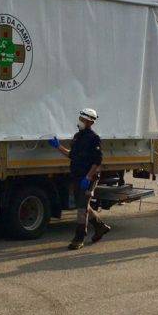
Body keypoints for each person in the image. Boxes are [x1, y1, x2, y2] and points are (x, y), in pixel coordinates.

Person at [48, 107, 110, 249]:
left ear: (90, 122)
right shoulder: (77, 136)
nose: (80, 121)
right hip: (77, 176)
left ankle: (79, 238)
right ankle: (101, 227)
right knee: (83, 205)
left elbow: (97, 161)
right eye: (80, 118)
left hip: (88, 178)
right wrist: (58, 147)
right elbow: (72, 155)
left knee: (81, 208)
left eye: (84, 120)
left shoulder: (94, 138)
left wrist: (88, 177)